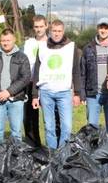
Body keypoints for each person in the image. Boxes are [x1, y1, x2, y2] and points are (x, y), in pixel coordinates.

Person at [32, 20, 82, 149]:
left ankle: (62, 154)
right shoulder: (42, 46)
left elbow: (76, 71)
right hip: (46, 92)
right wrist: (34, 95)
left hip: (64, 92)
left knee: (66, 126)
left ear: (63, 31)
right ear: (50, 31)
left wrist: (77, 93)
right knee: (49, 127)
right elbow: (37, 71)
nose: (56, 34)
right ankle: (52, 154)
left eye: (59, 31)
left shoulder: (71, 47)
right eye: (54, 31)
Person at [0, 28, 32, 144]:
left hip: (16, 100)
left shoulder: (22, 57)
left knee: (16, 133)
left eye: (8, 40)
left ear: (14, 40)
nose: (5, 43)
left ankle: (16, 159)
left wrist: (9, 92)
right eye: (3, 40)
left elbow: (25, 78)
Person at [80, 17, 108, 133]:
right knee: (92, 127)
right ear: (97, 29)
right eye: (101, 27)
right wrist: (82, 94)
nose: (103, 30)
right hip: (93, 94)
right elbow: (82, 73)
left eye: (106, 28)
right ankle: (92, 150)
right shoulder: (88, 48)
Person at [21, 15, 48, 147]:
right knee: (30, 116)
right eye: (36, 27)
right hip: (30, 83)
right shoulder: (28, 43)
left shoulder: (50, 43)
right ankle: (33, 144)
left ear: (46, 26)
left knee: (49, 117)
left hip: (46, 84)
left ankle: (52, 145)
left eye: (41, 26)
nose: (38, 29)